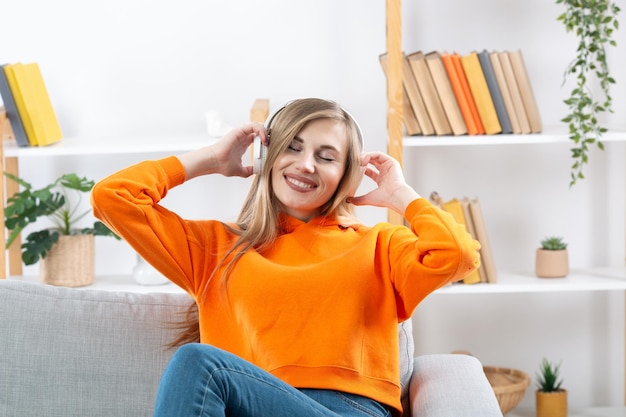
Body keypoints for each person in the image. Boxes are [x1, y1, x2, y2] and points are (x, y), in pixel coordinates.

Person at [91, 98, 480, 417]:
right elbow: (112, 198)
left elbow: (456, 255)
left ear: (346, 175)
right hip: (246, 406)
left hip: (348, 410)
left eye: (326, 157)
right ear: (266, 157)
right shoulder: (215, 248)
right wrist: (210, 159)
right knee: (200, 368)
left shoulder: (379, 245)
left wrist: (400, 195)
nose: (306, 164)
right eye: (292, 147)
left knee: (198, 365)